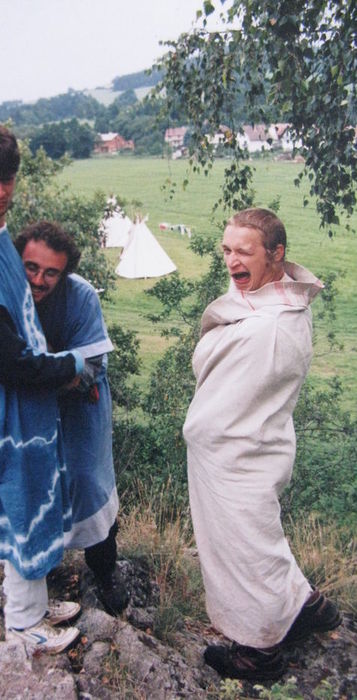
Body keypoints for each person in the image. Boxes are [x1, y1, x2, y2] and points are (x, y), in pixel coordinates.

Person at [0, 124, 86, 655]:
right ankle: (25, 626)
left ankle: (33, 603)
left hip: (28, 412)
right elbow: (7, 363)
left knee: (28, 504)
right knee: (23, 509)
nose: (0, 191)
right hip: (13, 412)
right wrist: (71, 365)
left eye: (8, 179)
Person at [183, 208, 341, 680]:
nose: (231, 260)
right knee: (258, 540)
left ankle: (259, 651)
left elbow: (237, 400)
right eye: (227, 250)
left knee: (244, 549)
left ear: (276, 254)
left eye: (244, 251)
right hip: (247, 446)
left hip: (241, 454)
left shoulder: (270, 325)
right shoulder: (267, 303)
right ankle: (307, 606)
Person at [0, 221, 129, 614]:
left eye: (51, 272)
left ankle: (104, 569)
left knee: (87, 485)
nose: (38, 280)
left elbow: (92, 366)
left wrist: (33, 378)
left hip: (77, 414)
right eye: (31, 267)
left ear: (64, 273)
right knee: (26, 493)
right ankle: (38, 579)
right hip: (19, 423)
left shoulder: (80, 297)